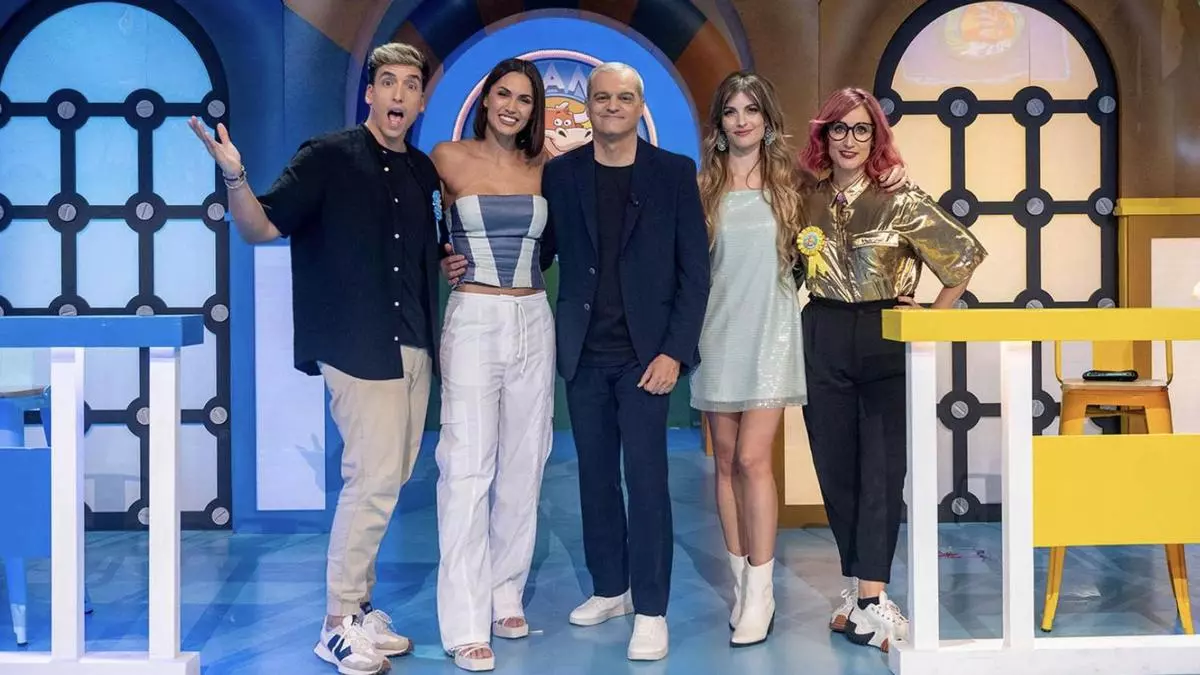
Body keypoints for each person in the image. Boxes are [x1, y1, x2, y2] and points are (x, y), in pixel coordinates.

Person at [188, 42, 441, 675]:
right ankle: (336, 623)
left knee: (389, 480)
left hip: (414, 343)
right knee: (371, 481)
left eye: (411, 85)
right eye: (389, 82)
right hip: (357, 342)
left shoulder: (422, 172)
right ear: (370, 94)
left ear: (419, 100)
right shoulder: (328, 155)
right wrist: (235, 177)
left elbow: (422, 254)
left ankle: (360, 608)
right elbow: (261, 228)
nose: (400, 95)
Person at [692, 71, 908, 648]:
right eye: (731, 111)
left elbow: (856, 211)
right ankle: (742, 585)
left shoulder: (796, 186)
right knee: (726, 462)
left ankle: (762, 594)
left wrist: (895, 275)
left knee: (753, 459)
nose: (742, 120)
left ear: (768, 120)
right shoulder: (702, 188)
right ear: (719, 123)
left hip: (773, 333)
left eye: (752, 110)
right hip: (716, 335)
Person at [796, 87, 987, 653]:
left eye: (862, 129)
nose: (850, 140)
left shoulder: (901, 197)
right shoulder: (804, 200)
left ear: (876, 137)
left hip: (884, 335)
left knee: (881, 470)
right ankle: (857, 591)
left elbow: (963, 258)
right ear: (824, 135)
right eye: (839, 128)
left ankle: (874, 597)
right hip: (822, 331)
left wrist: (932, 315)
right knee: (835, 469)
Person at [542, 62, 709, 662]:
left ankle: (653, 610)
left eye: (624, 97)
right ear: (587, 106)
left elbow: (695, 273)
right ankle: (611, 588)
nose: (612, 106)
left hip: (648, 358)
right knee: (594, 478)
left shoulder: (674, 173)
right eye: (602, 97)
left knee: (647, 482)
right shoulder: (561, 174)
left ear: (640, 106)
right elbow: (540, 251)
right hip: (584, 354)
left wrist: (674, 352)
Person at [429, 58, 555, 673]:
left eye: (524, 99)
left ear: (535, 110)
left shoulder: (545, 166)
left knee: (525, 463)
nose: (512, 107)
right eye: (503, 95)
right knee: (466, 467)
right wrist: (440, 253)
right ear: (485, 100)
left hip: (534, 316)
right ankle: (463, 620)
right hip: (474, 316)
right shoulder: (446, 157)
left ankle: (506, 592)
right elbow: (417, 224)